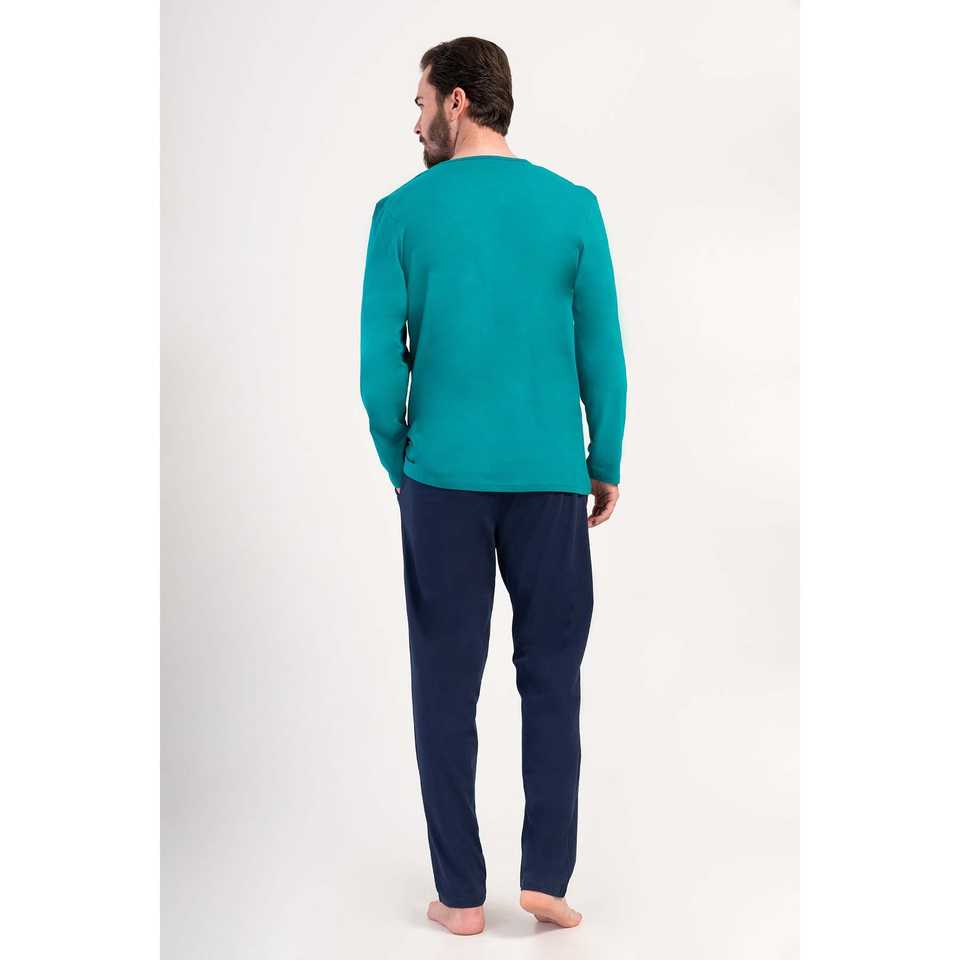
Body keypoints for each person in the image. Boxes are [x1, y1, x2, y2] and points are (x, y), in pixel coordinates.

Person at [359, 36, 627, 936]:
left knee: (445, 682)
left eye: (421, 102)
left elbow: (376, 371)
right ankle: (546, 877)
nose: (416, 122)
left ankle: (462, 897)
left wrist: (403, 463)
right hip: (550, 481)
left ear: (459, 101)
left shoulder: (401, 214)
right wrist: (603, 460)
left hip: (442, 480)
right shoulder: (574, 208)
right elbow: (603, 351)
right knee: (552, 676)